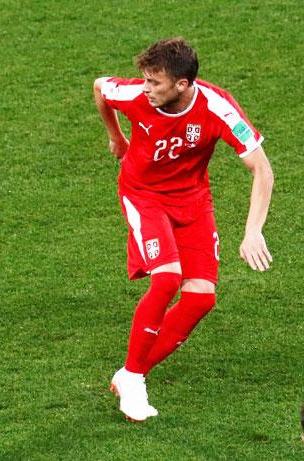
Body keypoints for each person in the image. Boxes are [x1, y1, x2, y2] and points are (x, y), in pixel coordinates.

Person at [93, 37, 273, 422]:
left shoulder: (216, 107)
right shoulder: (134, 95)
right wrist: (115, 136)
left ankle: (128, 374)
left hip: (192, 203)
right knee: (166, 279)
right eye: (144, 79)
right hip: (144, 196)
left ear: (183, 84)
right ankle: (136, 379)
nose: (146, 89)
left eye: (155, 83)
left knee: (200, 299)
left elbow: (262, 167)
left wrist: (253, 231)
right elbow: (100, 88)